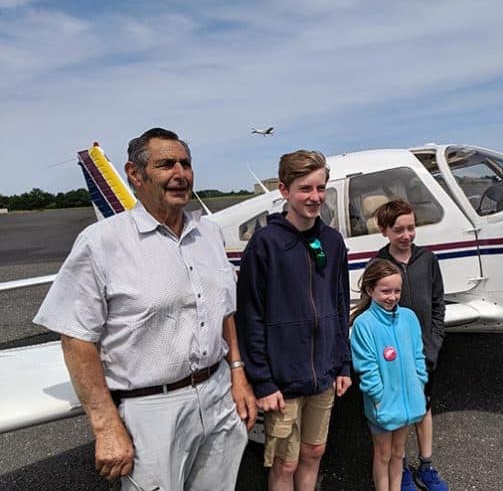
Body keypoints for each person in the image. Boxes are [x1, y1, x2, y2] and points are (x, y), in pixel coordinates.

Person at [33, 128, 256, 490]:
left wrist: (238, 374)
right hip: (151, 408)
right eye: (166, 164)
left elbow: (224, 312)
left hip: (217, 394)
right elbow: (75, 338)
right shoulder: (101, 242)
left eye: (186, 163)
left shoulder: (209, 235)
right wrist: (105, 426)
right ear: (135, 174)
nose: (180, 173)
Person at [236, 149, 352, 491]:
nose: (315, 197)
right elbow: (250, 316)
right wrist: (263, 381)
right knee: (285, 462)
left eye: (320, 188)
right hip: (282, 380)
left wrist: (343, 364)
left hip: (324, 374)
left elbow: (341, 304)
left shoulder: (332, 242)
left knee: (315, 450)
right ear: (285, 191)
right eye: (305, 189)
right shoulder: (265, 244)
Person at [373, 199, 449, 491]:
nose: (406, 235)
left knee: (423, 407)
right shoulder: (379, 264)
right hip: (394, 358)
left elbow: (438, 304)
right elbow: (374, 310)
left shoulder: (427, 259)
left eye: (411, 228)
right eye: (398, 230)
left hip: (423, 353)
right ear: (385, 232)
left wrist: (434, 344)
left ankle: (426, 466)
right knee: (398, 413)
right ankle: (400, 468)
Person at [351, 259, 428, 491]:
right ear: (369, 289)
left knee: (398, 453)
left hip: (407, 405)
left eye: (397, 291)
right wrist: (378, 398)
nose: (392, 297)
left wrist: (420, 384)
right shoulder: (364, 324)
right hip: (383, 407)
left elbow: (418, 356)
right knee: (383, 455)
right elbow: (367, 367)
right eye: (385, 291)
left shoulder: (409, 317)